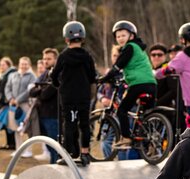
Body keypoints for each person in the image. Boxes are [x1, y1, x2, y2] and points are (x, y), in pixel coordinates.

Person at [100, 20, 157, 149]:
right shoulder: (139, 49)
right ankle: (144, 140)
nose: (120, 38)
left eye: (123, 35)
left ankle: (126, 137)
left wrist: (104, 78)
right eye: (118, 36)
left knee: (122, 110)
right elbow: (136, 67)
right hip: (152, 84)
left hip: (138, 84)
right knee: (143, 115)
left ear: (131, 36)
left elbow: (118, 66)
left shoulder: (129, 47)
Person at [51, 21, 97, 166]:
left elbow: (54, 75)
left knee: (69, 125)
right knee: (84, 125)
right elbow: (92, 77)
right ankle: (85, 154)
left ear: (66, 39)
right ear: (82, 38)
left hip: (68, 96)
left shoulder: (63, 56)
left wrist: (58, 84)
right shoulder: (87, 56)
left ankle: (68, 155)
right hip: (83, 96)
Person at [29, 48, 60, 163]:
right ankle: (53, 166)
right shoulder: (45, 74)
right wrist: (40, 89)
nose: (45, 61)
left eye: (49, 59)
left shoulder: (57, 74)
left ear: (55, 60)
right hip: (42, 114)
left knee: (55, 147)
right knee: (48, 145)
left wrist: (39, 89)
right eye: (44, 59)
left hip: (53, 115)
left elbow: (46, 94)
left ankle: (56, 168)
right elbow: (31, 91)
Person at [5, 56, 36, 158]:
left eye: (25, 64)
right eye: (22, 64)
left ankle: (28, 150)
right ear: (19, 64)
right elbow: (7, 87)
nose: (23, 66)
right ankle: (18, 150)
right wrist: (10, 98)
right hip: (13, 105)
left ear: (29, 65)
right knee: (16, 128)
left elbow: (29, 90)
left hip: (25, 104)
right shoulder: (13, 75)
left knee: (26, 128)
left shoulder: (32, 76)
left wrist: (18, 100)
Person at [0, 57, 17, 151]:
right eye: (0, 65)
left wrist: (8, 99)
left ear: (8, 65)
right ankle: (9, 143)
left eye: (3, 65)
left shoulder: (11, 74)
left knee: (11, 124)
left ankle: (12, 144)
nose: (1, 66)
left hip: (8, 103)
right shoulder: (3, 75)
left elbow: (10, 88)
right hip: (3, 104)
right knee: (6, 124)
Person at [148, 43, 178, 109]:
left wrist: (156, 104)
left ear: (165, 56)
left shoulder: (169, 69)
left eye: (159, 55)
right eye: (153, 55)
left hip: (164, 108)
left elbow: (173, 91)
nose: (156, 57)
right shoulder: (148, 70)